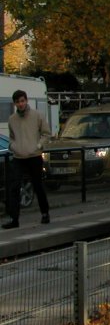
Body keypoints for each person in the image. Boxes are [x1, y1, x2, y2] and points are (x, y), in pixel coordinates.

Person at [3, 89, 51, 229]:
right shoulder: (12, 119)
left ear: (26, 100)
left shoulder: (37, 116)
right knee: (14, 187)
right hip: (18, 156)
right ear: (15, 103)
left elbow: (46, 133)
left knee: (38, 185)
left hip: (34, 156)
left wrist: (38, 145)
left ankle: (45, 213)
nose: (21, 104)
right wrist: (13, 146)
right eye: (18, 102)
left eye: (22, 101)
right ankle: (14, 219)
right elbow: (12, 136)